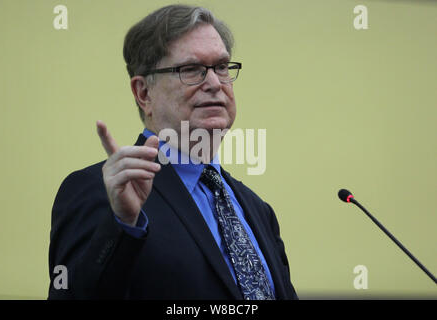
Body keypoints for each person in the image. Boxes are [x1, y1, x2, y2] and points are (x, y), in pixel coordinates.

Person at [48, 4, 297, 300]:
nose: (215, 83)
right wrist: (123, 226)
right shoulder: (102, 190)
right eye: (191, 70)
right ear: (144, 93)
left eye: (221, 67)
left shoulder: (256, 209)